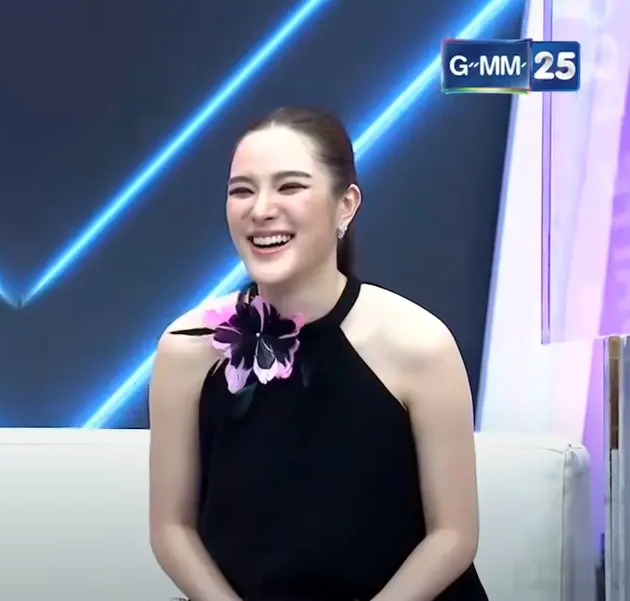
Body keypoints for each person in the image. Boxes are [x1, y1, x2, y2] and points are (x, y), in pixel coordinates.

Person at [147, 107, 488, 601]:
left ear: (345, 205)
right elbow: (171, 530)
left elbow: (453, 536)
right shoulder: (188, 348)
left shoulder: (420, 344)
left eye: (290, 187)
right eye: (242, 191)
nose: (261, 209)